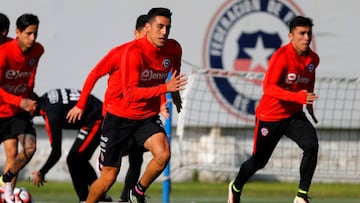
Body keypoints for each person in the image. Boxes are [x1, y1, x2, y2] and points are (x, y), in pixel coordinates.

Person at [67, 7, 186, 203]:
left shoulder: (173, 48)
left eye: (168, 28)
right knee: (108, 178)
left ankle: (136, 193)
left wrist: (174, 92)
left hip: (146, 117)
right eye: (160, 27)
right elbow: (129, 93)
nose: (164, 32)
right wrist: (80, 105)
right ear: (146, 29)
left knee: (163, 154)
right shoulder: (130, 53)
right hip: (118, 118)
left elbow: (174, 71)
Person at [227, 16, 320, 203]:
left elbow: (309, 79)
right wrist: (298, 97)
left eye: (309, 33)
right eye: (301, 33)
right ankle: (235, 187)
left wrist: (308, 105)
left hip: (294, 114)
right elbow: (268, 88)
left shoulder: (313, 59)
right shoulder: (281, 56)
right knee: (259, 162)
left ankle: (301, 196)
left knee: (311, 145)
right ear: (291, 36)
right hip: (269, 116)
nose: (306, 37)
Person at [30, 88, 112, 203]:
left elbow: (56, 152)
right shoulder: (47, 99)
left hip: (96, 117)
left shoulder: (50, 113)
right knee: (77, 159)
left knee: (75, 158)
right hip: (92, 115)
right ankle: (99, 197)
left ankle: (92, 198)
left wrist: (42, 172)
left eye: (23, 106)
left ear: (33, 105)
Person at [0, 13, 44, 203]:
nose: (33, 38)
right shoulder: (4, 53)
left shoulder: (38, 50)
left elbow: (31, 75)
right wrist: (20, 101)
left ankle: (7, 191)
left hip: (18, 113)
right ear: (17, 32)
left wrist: (29, 97)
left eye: (35, 33)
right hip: (3, 109)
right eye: (28, 34)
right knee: (11, 151)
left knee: (27, 149)